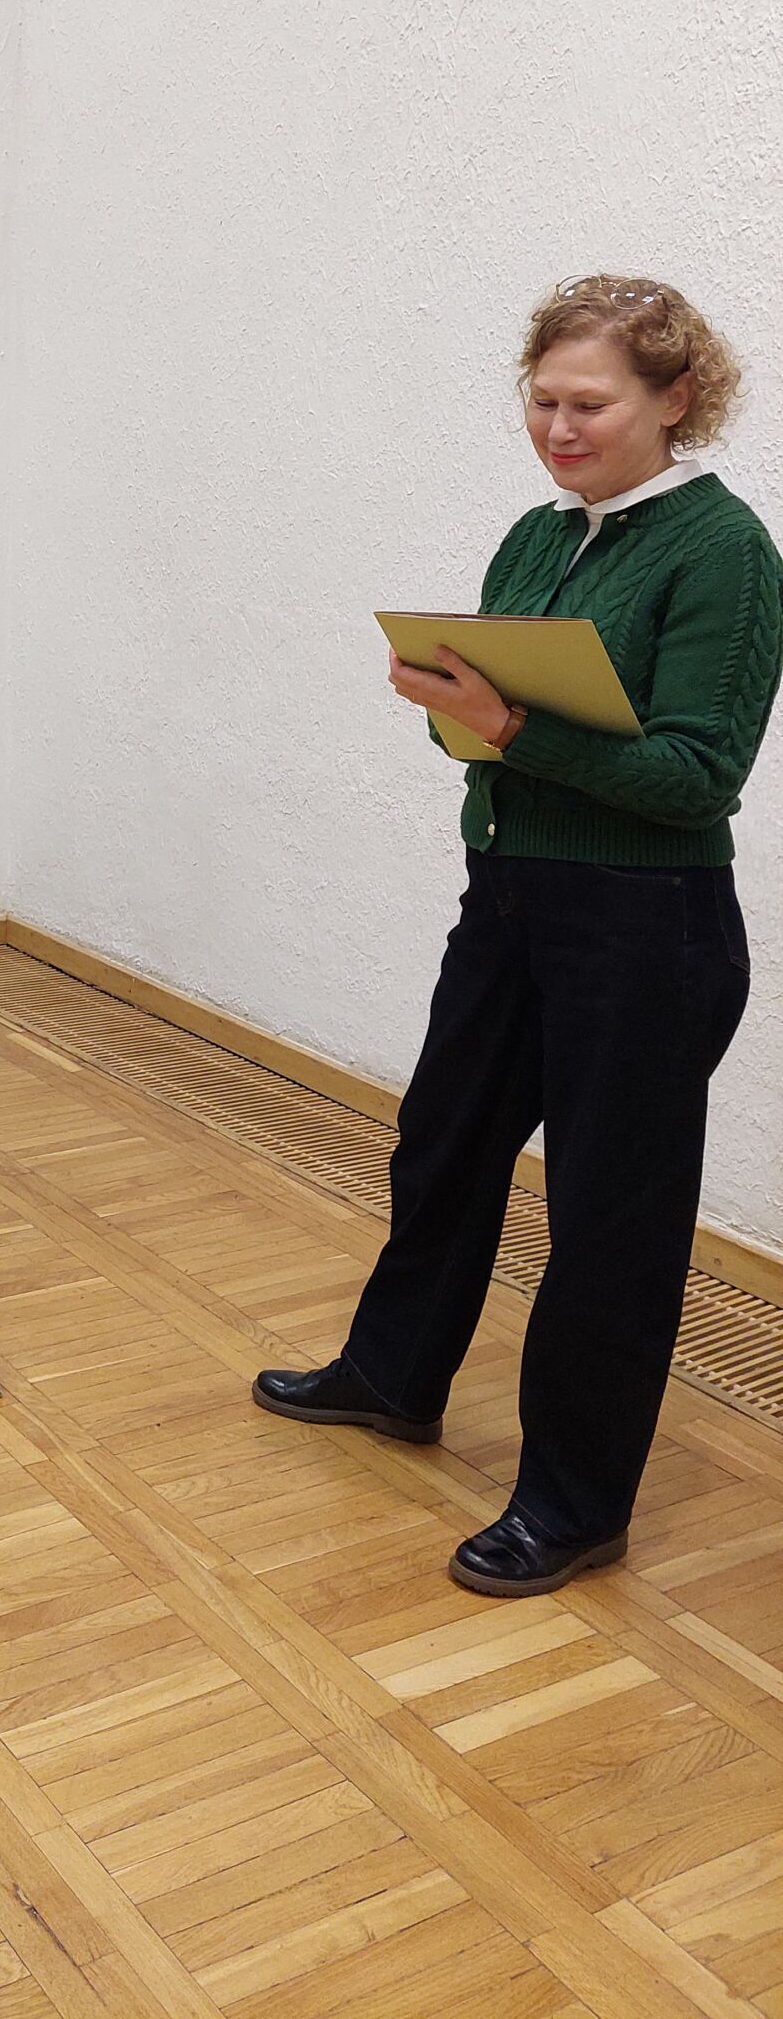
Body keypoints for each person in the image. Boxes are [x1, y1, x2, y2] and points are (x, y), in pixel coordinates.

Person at [256, 276, 782, 1597]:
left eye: (589, 403)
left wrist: (508, 726)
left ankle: (574, 1503)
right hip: (509, 898)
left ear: (677, 397)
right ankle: (393, 1374)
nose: (558, 427)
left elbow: (696, 776)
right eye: (542, 401)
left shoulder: (724, 552)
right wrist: (463, 713)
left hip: (645, 928)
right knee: (442, 1145)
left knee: (611, 1217)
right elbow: (497, 745)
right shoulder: (539, 537)